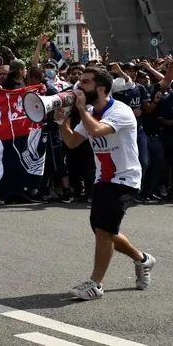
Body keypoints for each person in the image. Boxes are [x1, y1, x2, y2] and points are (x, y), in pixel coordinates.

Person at [57, 66, 155, 300]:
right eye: (79, 82)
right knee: (104, 230)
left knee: (104, 230)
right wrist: (62, 123)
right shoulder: (89, 111)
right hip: (103, 178)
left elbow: (99, 131)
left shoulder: (119, 111)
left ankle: (96, 284)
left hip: (125, 178)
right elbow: (72, 142)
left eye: (86, 82)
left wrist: (80, 109)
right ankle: (143, 259)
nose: (79, 86)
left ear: (100, 88)